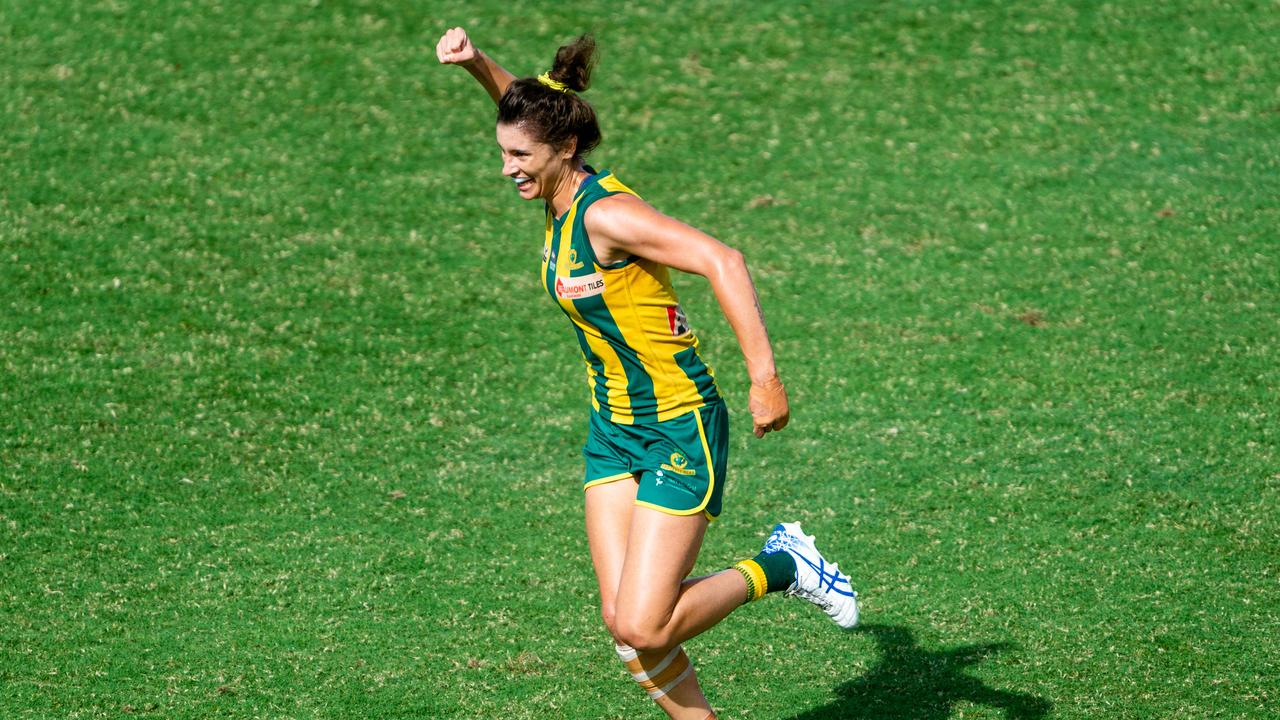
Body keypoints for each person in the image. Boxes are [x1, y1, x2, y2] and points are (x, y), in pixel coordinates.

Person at [435, 27, 859, 720]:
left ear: (564, 150)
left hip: (677, 426)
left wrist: (765, 378)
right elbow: (531, 109)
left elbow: (724, 259)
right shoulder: (552, 182)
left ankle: (783, 565)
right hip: (613, 430)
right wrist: (478, 64)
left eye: (518, 156)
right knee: (622, 621)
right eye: (503, 152)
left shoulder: (610, 217)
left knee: (647, 625)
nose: (507, 168)